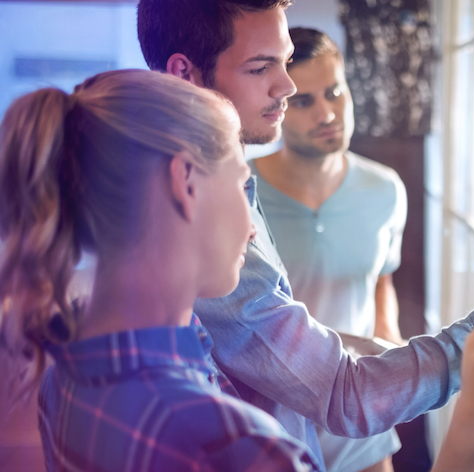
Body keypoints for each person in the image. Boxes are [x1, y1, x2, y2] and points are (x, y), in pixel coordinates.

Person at [136, 0, 474, 467]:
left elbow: (288, 334)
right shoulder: (195, 215)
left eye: (286, 58)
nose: (288, 85)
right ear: (185, 74)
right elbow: (344, 394)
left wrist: (383, 352)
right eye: (261, 67)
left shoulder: (237, 183)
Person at [0, 69, 321, 471]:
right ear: (185, 181)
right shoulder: (245, 449)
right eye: (242, 185)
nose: (252, 227)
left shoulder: (60, 381)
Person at [251, 27, 404, 472]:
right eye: (304, 101)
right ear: (279, 105)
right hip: (271, 421)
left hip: (360, 412)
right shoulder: (240, 193)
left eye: (335, 93)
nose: (327, 113)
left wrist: (389, 340)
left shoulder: (386, 190)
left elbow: (379, 281)